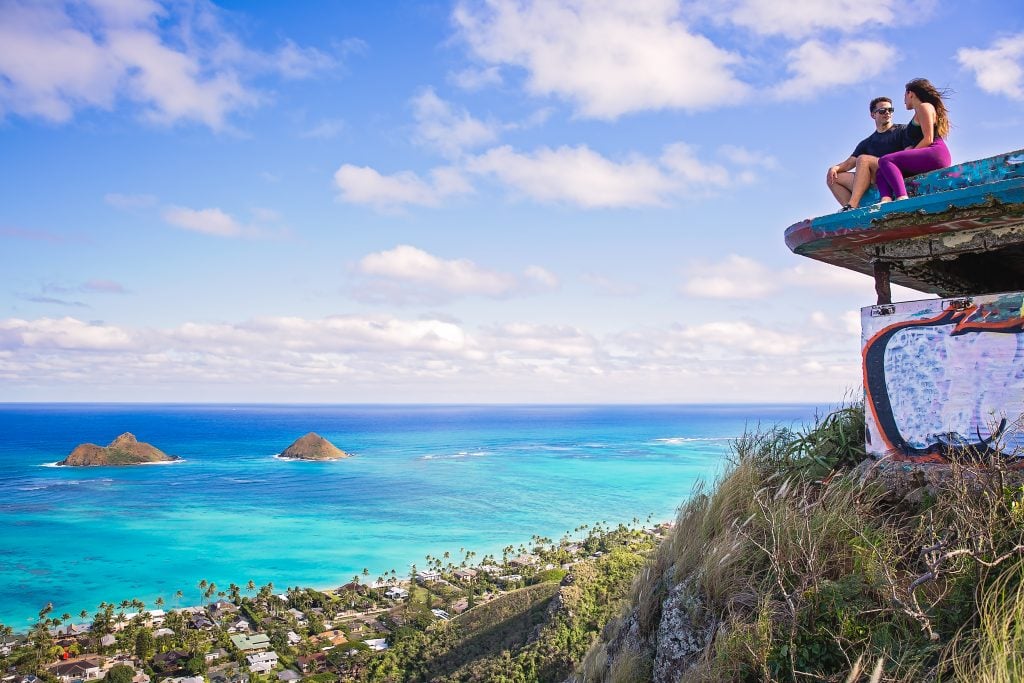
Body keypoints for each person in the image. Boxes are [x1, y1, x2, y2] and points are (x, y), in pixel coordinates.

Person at [875, 78, 952, 203]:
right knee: (881, 171)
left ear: (910, 94)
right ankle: (886, 200)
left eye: (904, 96)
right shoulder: (919, 111)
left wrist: (909, 154)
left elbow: (928, 138)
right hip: (928, 155)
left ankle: (902, 197)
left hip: (935, 153)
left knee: (886, 160)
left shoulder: (924, 106)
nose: (904, 101)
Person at [826, 97, 906, 210]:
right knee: (833, 177)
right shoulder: (867, 142)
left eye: (890, 110)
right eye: (883, 110)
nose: (887, 113)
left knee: (863, 159)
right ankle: (851, 212)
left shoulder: (902, 130)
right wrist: (834, 168)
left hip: (895, 173)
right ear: (873, 115)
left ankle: (852, 205)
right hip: (875, 179)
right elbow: (849, 163)